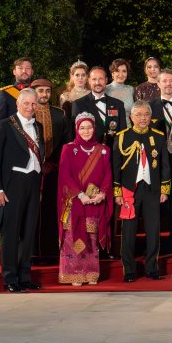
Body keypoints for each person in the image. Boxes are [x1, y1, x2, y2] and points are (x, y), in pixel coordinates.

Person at [0, 88, 45, 292]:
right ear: (18, 104)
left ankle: (25, 276)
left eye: (34, 103)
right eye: (26, 103)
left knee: (28, 233)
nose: (30, 107)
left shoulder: (38, 126)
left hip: (33, 183)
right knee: (11, 233)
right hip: (12, 184)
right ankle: (10, 279)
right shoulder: (4, 125)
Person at [113, 102, 171, 282]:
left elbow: (165, 166)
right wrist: (117, 192)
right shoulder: (122, 137)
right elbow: (116, 166)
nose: (142, 118)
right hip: (130, 189)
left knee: (153, 230)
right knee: (129, 231)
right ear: (131, 117)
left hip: (152, 189)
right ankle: (129, 270)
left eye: (146, 114)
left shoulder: (158, 137)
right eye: (138, 115)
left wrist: (165, 189)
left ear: (150, 117)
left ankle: (151, 268)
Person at [56, 113, 112, 285]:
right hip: (75, 202)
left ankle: (91, 273)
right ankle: (74, 274)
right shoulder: (68, 148)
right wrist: (80, 195)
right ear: (76, 129)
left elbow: (108, 175)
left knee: (91, 239)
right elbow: (65, 175)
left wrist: (102, 194)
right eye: (82, 128)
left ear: (94, 129)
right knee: (74, 239)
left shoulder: (103, 150)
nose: (86, 131)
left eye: (89, 127)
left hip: (94, 201)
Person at [28, 78, 64, 259]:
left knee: (51, 210)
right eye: (40, 91)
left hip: (54, 170)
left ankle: (51, 252)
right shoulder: (27, 114)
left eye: (47, 91)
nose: (44, 94)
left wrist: (53, 163)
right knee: (31, 211)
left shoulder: (60, 114)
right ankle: (32, 253)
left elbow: (65, 142)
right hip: (31, 170)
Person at [71, 66, 127, 143]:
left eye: (101, 79)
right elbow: (75, 134)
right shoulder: (78, 104)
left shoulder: (118, 104)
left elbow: (123, 132)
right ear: (89, 81)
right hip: (90, 149)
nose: (97, 83)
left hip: (114, 149)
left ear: (106, 80)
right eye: (94, 79)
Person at [0, 57, 34, 133]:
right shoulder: (5, 94)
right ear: (14, 72)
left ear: (32, 72)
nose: (24, 71)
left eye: (28, 68)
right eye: (20, 68)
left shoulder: (36, 93)